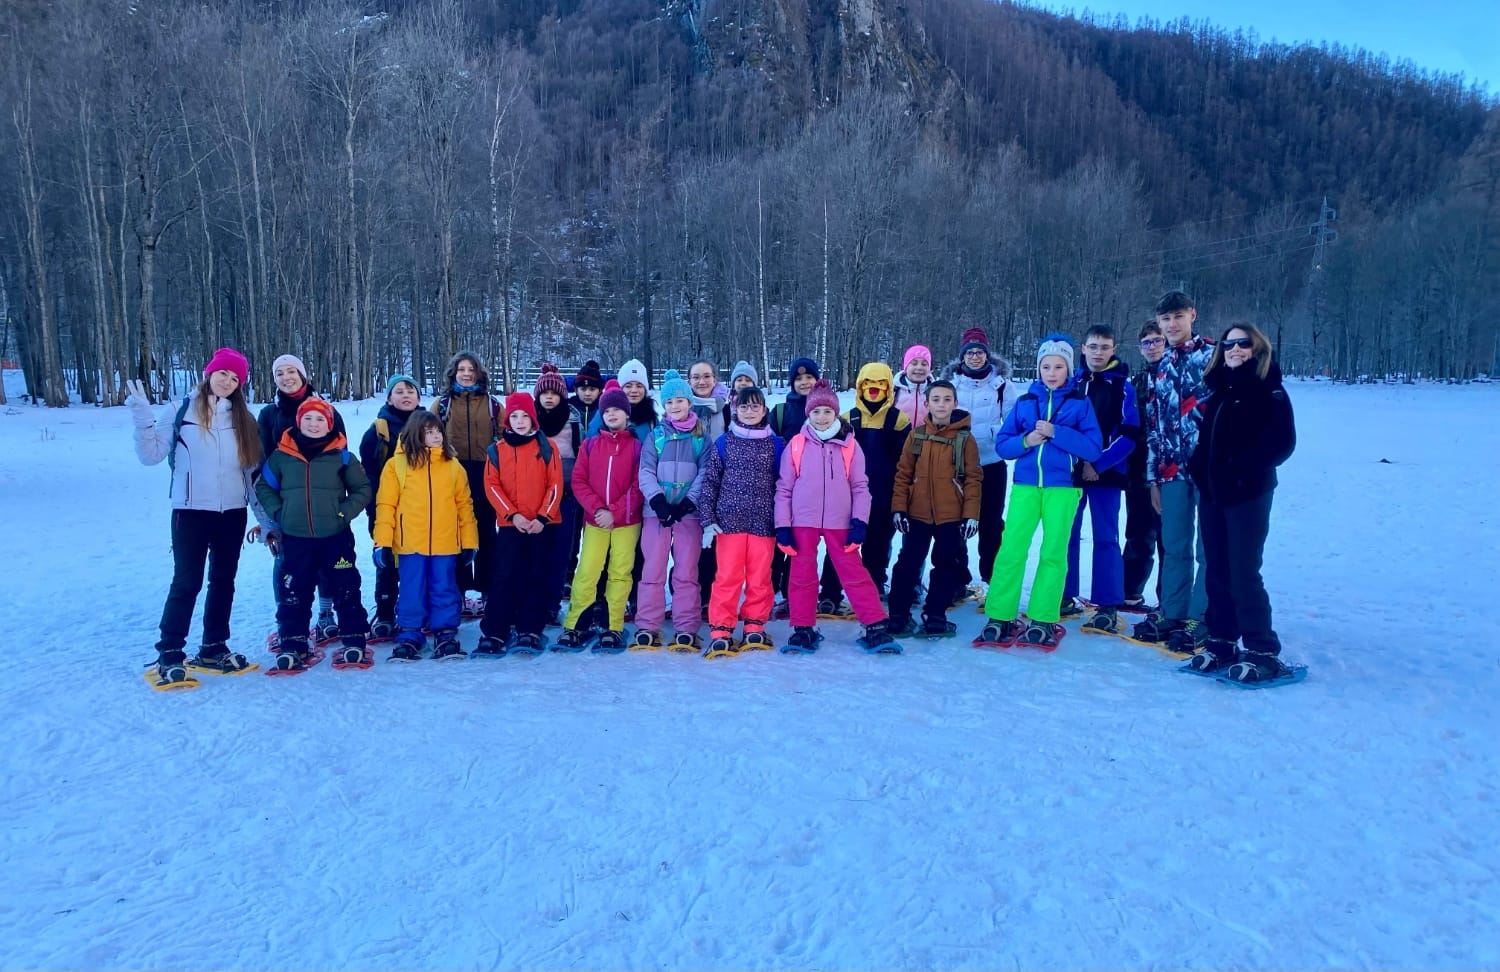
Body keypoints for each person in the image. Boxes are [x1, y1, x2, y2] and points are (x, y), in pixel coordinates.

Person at [128, 349, 268, 688]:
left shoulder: (244, 420)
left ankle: (213, 647)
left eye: (235, 378)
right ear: (209, 373)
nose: (227, 381)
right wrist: (143, 419)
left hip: (231, 513)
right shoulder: (180, 410)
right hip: (190, 511)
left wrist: (265, 520)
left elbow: (250, 476)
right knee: (187, 581)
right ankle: (170, 652)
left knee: (223, 581)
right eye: (223, 374)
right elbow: (151, 455)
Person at [1183, 323, 1297, 683]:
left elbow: (1282, 444)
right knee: (1217, 569)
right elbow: (1205, 440)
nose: (1234, 349)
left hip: (1248, 494)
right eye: (1228, 344)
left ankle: (1262, 649)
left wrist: (1241, 469)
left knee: (1244, 570)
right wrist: (1199, 469)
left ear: (1256, 347)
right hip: (1213, 494)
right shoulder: (1220, 389)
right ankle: (1222, 641)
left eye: (1242, 343)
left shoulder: (1269, 390)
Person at [976, 335, 1102, 651]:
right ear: (1038, 369)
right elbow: (1003, 445)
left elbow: (1092, 448)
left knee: (1053, 553)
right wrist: (1027, 441)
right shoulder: (1025, 402)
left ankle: (1043, 617)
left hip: (1063, 488)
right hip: (1026, 486)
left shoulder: (1080, 403)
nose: (1051, 372)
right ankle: (1000, 615)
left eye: (1058, 366)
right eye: (1046, 366)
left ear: (1068, 369)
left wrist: (1057, 432)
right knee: (1011, 549)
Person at [775, 380, 897, 654]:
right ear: (808, 413)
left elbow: (860, 487)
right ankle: (803, 628)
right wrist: (783, 525)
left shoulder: (850, 445)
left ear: (836, 413)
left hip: (839, 521)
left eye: (827, 412)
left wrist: (859, 521)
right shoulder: (796, 444)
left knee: (853, 572)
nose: (821, 417)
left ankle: (874, 625)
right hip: (802, 521)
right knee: (802, 573)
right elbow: (784, 488)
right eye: (816, 411)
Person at [255, 397, 372, 671]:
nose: (314, 424)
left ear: (329, 424)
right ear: (298, 422)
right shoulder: (281, 456)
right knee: (294, 591)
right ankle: (293, 644)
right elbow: (263, 487)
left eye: (320, 419)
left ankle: (354, 639)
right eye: (307, 418)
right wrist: (279, 513)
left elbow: (362, 489)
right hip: (295, 538)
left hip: (335, 536)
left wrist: (343, 512)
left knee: (345, 587)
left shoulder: (343, 457)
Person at [1133, 291, 1213, 651]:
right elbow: (1154, 426)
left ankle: (1203, 615)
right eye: (1165, 319)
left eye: (1178, 316)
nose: (1172, 324)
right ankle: (1173, 612)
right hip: (1170, 471)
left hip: (1208, 468)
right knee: (1175, 543)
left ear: (1192, 315)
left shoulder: (1213, 357)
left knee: (1207, 547)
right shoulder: (1160, 366)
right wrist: (1153, 478)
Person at [371, 409, 479, 662]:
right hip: (410, 544)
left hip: (445, 543)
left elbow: (465, 507)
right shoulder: (396, 466)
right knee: (412, 589)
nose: (436, 436)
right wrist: (382, 542)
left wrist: (469, 542)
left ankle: (445, 632)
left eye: (438, 431)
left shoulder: (453, 466)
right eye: (429, 432)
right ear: (415, 434)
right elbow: (386, 506)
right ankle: (410, 633)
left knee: (444, 588)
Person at [257, 353, 344, 640]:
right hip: (286, 505)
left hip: (323, 502)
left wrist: (339, 506)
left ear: (303, 375)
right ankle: (288, 623)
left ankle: (325, 615)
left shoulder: (328, 410)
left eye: (291, 371)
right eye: (279, 373)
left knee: (326, 560)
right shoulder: (269, 415)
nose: (286, 377)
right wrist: (270, 513)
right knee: (286, 564)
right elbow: (262, 466)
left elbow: (341, 459)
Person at [886, 380, 982, 638]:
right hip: (917, 514)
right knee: (908, 563)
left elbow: (973, 479)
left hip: (951, 516)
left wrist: (971, 514)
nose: (941, 405)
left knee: (945, 564)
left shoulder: (965, 439)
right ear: (927, 404)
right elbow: (903, 474)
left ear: (955, 403)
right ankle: (898, 616)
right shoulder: (916, 435)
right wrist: (899, 508)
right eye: (936, 399)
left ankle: (935, 615)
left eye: (947, 399)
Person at [1062, 324, 1141, 634]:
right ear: (1083, 348)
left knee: (1106, 536)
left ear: (1113, 350)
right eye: (1093, 346)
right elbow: (1064, 426)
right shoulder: (1072, 383)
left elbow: (1130, 434)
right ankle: (1064, 593)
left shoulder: (1123, 386)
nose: (1098, 352)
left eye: (1104, 347)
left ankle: (1107, 603)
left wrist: (1098, 463)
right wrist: (1080, 461)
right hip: (1073, 471)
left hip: (1107, 473)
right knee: (1065, 533)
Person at [556, 387, 643, 654]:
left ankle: (613, 626)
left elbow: (638, 485)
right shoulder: (590, 445)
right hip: (595, 521)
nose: (612, 414)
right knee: (588, 571)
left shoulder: (636, 447)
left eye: (617, 409)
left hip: (626, 522)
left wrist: (614, 511)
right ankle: (576, 625)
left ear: (626, 414)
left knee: (619, 573)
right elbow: (579, 480)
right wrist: (597, 510)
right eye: (607, 411)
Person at [817, 361, 910, 611]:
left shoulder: (899, 420)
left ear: (889, 388)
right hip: (848, 498)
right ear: (859, 387)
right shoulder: (848, 419)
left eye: (880, 384)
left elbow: (907, 462)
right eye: (868, 383)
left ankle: (873, 588)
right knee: (840, 547)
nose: (874, 389)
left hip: (884, 496)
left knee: (877, 547)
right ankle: (830, 593)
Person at [476, 391, 562, 656]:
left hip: (541, 524)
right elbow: (492, 486)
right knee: (504, 575)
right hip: (511, 525)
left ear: (533, 419)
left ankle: (530, 628)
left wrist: (542, 517)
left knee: (536, 574)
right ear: (507, 420)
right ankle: (495, 629)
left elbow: (555, 484)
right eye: (515, 416)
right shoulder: (497, 450)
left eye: (525, 416)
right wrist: (512, 515)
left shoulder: (547, 447)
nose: (520, 421)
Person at [699, 385, 782, 657]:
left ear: (764, 410)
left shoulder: (775, 444)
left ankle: (754, 625)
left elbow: (784, 485)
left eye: (755, 406)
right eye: (744, 406)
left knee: (760, 577)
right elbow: (710, 483)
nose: (749, 411)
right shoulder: (724, 442)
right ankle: (721, 629)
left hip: (763, 523)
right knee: (727, 577)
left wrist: (784, 520)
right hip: (729, 523)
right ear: (735, 409)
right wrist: (708, 518)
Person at [635, 370, 709, 651]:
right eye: (669, 402)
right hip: (657, 514)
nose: (675, 406)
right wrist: (657, 501)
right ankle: (647, 624)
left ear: (689, 402)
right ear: (663, 406)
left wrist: (689, 502)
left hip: (688, 514)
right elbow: (645, 470)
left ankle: (686, 625)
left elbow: (705, 473)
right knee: (652, 570)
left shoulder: (701, 438)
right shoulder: (656, 436)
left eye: (680, 400)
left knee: (686, 572)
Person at [944, 327, 1018, 600]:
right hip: (956, 464)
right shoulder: (951, 383)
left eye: (979, 352)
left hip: (991, 463)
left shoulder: (1002, 385)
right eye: (970, 352)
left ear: (987, 354)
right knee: (955, 520)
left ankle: (994, 578)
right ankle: (957, 580)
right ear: (962, 356)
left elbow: (1013, 421)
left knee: (991, 523)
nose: (975, 357)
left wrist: (992, 434)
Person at [436, 351, 504, 618]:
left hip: (485, 473)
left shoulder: (492, 405)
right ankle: (461, 591)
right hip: (453, 474)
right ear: (454, 373)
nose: (466, 374)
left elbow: (506, 438)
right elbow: (428, 436)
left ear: (479, 373)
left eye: (471, 369)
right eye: (462, 369)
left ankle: (487, 590)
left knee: (486, 534)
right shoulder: (442, 405)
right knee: (457, 535)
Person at [359, 374, 422, 641]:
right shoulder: (379, 430)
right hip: (386, 508)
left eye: (410, 391)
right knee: (387, 561)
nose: (405, 395)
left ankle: (416, 610)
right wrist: (375, 508)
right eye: (399, 391)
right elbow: (368, 473)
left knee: (418, 560)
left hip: (421, 509)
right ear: (388, 398)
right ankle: (385, 612)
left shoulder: (429, 425)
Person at [769, 356, 821, 615]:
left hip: (812, 492)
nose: (804, 382)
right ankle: (767, 592)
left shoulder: (825, 410)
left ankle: (793, 594)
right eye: (799, 379)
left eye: (809, 377)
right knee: (776, 544)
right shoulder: (780, 412)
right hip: (781, 488)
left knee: (802, 546)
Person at [1122, 321, 1166, 612]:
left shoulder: (1177, 376)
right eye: (1147, 342)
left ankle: (1170, 601)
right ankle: (1130, 592)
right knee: (1138, 533)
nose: (1152, 347)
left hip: (1170, 471)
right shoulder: (1137, 382)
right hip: (1138, 470)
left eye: (1157, 341)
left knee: (1169, 539)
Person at [534, 364, 582, 626]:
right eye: (545, 393)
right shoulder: (529, 420)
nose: (549, 397)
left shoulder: (572, 419)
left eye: (554, 393)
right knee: (537, 552)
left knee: (561, 551)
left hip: (566, 494)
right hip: (536, 497)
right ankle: (534, 601)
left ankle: (552, 604)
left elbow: (580, 453)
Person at [587, 360, 656, 442]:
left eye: (639, 386)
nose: (634, 390)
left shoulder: (650, 416)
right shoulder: (606, 412)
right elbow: (590, 442)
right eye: (628, 386)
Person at [894, 344, 933, 427]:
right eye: (914, 363)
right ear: (906, 367)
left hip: (925, 435)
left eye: (924, 364)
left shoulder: (935, 392)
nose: (919, 368)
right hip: (899, 435)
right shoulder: (894, 390)